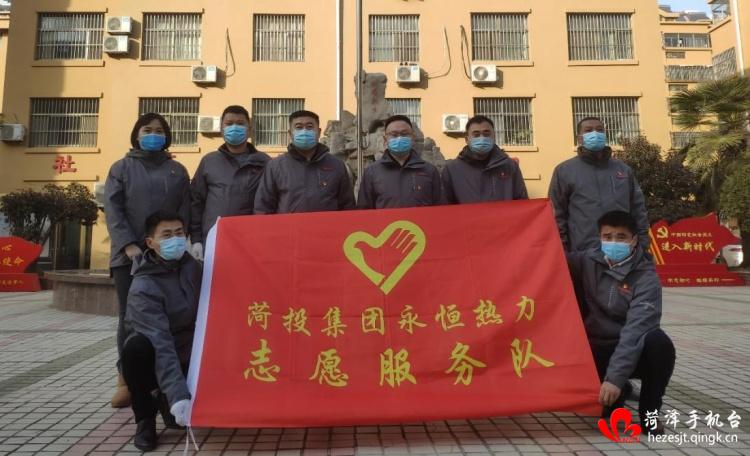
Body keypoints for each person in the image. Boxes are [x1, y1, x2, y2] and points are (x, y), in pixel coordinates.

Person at [104, 113, 190, 408]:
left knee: (175, 315)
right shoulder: (121, 168)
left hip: (169, 253)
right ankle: (126, 380)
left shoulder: (177, 170)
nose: (154, 135)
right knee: (129, 318)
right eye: (147, 130)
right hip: (129, 255)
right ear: (136, 135)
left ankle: (171, 377)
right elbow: (113, 209)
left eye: (159, 131)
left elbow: (185, 208)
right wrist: (128, 244)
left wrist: (182, 242)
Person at [566, 211, 675, 435]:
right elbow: (552, 257)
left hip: (631, 347)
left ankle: (649, 412)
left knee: (660, 344)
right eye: (608, 237)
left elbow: (635, 331)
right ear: (600, 237)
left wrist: (614, 379)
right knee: (605, 410)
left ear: (634, 240)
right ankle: (618, 393)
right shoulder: (588, 260)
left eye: (621, 237)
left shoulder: (646, 278)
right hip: (596, 346)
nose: (613, 242)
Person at [121, 210, 201, 451]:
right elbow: (160, 342)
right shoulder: (143, 286)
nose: (175, 240)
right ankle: (145, 419)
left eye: (179, 233)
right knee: (136, 348)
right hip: (159, 352)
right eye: (166, 235)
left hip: (191, 349)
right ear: (150, 242)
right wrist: (178, 395)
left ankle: (169, 401)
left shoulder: (195, 269)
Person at [549, 117, 649, 253]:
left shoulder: (623, 170)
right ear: (579, 139)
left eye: (599, 130)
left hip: (622, 251)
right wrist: (562, 251)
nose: (595, 133)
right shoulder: (564, 171)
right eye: (588, 130)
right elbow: (556, 214)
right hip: (583, 253)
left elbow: (638, 210)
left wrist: (642, 246)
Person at [189, 105, 270, 259]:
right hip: (214, 240)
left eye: (240, 123)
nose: (234, 128)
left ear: (249, 129)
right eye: (229, 123)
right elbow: (196, 202)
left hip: (251, 241)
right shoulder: (209, 161)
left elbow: (270, 202)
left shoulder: (264, 162)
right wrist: (196, 239)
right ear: (221, 129)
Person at [253, 110, 355, 214]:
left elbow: (348, 206)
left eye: (310, 127)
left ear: (319, 132)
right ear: (290, 133)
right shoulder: (275, 166)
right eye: (299, 127)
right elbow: (263, 207)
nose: (304, 131)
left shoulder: (336, 165)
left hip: (327, 225)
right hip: (289, 225)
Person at [357, 115, 442, 209]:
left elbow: (441, 208)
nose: (399, 138)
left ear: (413, 137)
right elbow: (364, 210)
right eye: (394, 135)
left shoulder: (429, 171)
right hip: (385, 219)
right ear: (385, 139)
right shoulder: (372, 172)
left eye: (404, 134)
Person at [442, 115, 528, 203]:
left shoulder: (510, 166)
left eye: (486, 134)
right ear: (467, 139)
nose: (482, 138)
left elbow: (522, 202)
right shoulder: (452, 170)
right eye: (476, 135)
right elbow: (445, 206)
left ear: (494, 137)